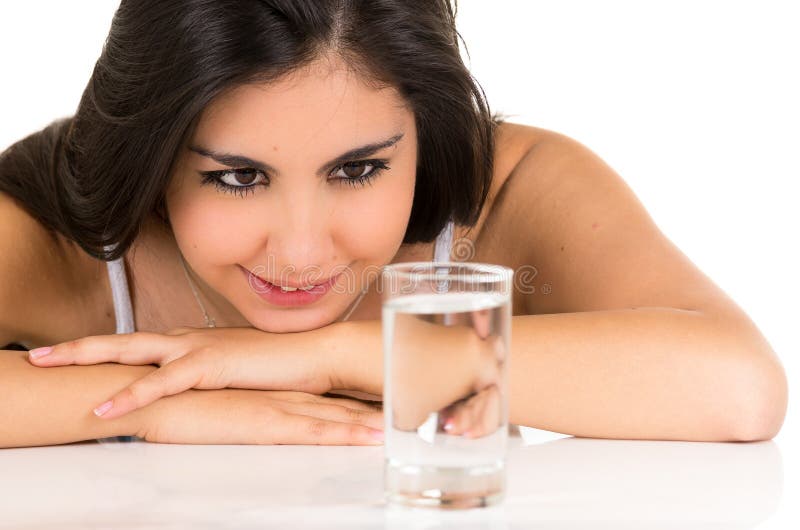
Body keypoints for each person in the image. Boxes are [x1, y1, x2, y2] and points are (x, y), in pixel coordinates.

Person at [0, 0, 787, 449]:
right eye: (237, 178)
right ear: (154, 152)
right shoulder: (62, 240)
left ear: (427, 131)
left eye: (357, 170)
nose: (303, 251)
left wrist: (338, 358)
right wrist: (169, 401)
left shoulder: (509, 199)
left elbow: (738, 386)